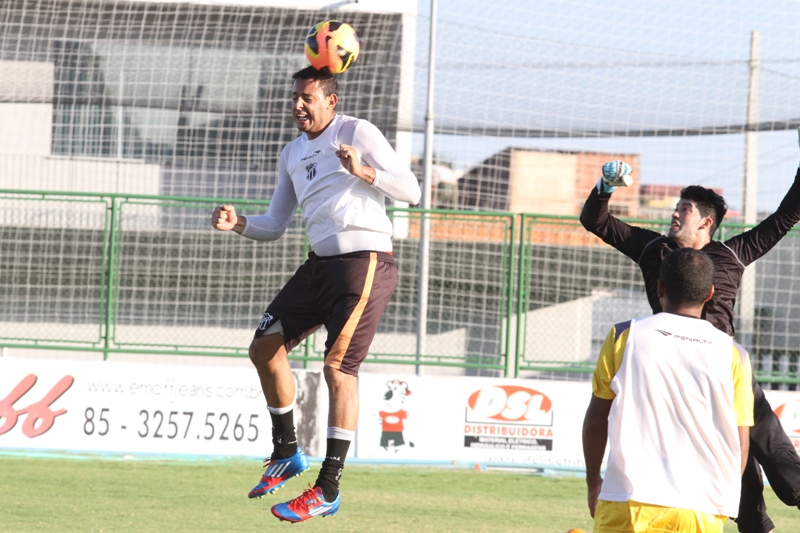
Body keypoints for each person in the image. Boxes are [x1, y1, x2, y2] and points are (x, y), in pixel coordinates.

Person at [211, 66, 421, 523]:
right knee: (264, 348)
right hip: (318, 266)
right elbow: (275, 224)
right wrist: (240, 224)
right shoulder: (291, 153)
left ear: (331, 99)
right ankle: (287, 450)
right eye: (295, 97)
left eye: (308, 97)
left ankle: (327, 487)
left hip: (364, 263)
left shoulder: (357, 131)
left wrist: (362, 171)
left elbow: (412, 191)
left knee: (338, 367)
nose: (298, 105)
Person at [580, 142, 800, 533]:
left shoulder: (734, 253)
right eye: (676, 207)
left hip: (723, 368)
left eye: (683, 209)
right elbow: (596, 222)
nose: (674, 213)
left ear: (706, 223)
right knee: (738, 469)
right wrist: (604, 187)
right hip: (669, 367)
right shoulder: (652, 248)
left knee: (776, 455)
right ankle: (756, 525)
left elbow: (784, 217)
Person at [583, 248, 754, 532]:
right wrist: (721, 494)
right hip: (701, 509)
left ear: (659, 288)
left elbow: (596, 418)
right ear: (710, 293)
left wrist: (593, 482)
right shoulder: (734, 354)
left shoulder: (624, 336)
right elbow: (741, 440)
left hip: (629, 500)